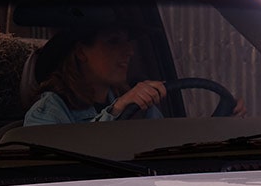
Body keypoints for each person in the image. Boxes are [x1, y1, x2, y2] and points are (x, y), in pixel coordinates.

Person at [23, 26, 168, 125]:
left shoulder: (136, 104)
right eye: (114, 41)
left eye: (128, 41)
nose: (129, 51)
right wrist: (116, 111)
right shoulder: (48, 111)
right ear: (81, 52)